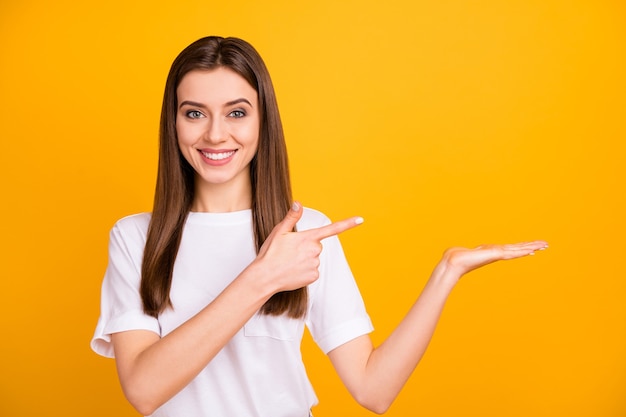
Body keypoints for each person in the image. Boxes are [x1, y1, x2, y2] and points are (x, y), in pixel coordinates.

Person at [91, 36, 547, 417]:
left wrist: (447, 272)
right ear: (173, 123)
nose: (215, 134)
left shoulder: (307, 233)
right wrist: (261, 278)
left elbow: (373, 390)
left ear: (262, 121)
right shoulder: (136, 238)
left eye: (236, 112)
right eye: (194, 113)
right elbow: (144, 391)